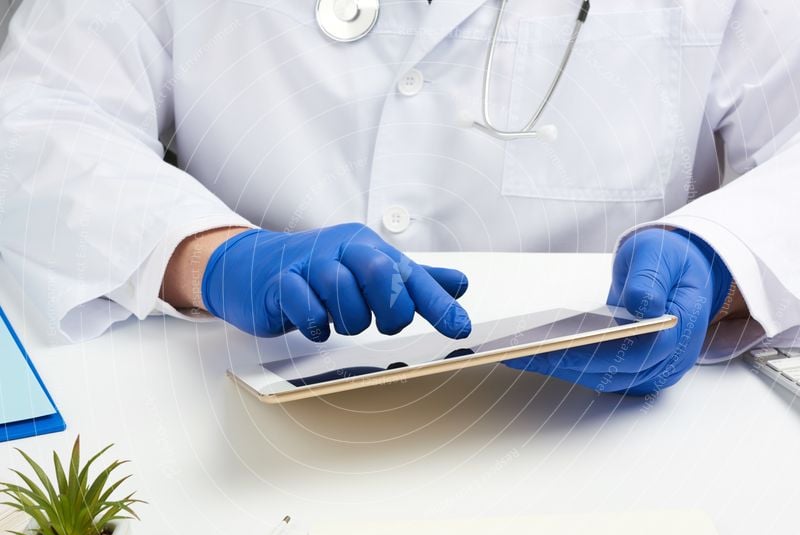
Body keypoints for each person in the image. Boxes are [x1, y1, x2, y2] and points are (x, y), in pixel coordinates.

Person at [0, 0, 797, 396]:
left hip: (611, 431)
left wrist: (725, 256)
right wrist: (204, 255)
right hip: (240, 395)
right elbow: (38, 119)